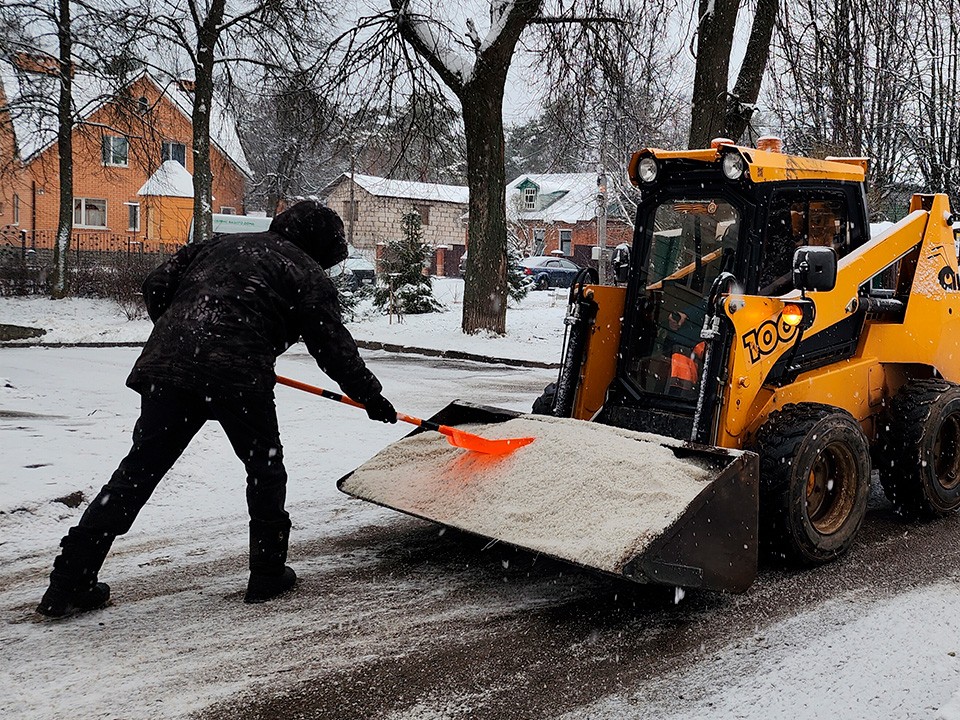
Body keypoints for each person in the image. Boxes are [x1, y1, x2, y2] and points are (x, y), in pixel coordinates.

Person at [36, 201, 398, 618]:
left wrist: (189, 333)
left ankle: (67, 582)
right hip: (238, 376)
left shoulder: (218, 246)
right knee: (264, 468)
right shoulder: (305, 273)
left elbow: (157, 283)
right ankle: (266, 573)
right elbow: (333, 348)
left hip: (170, 369)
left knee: (137, 474)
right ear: (320, 248)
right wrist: (370, 397)